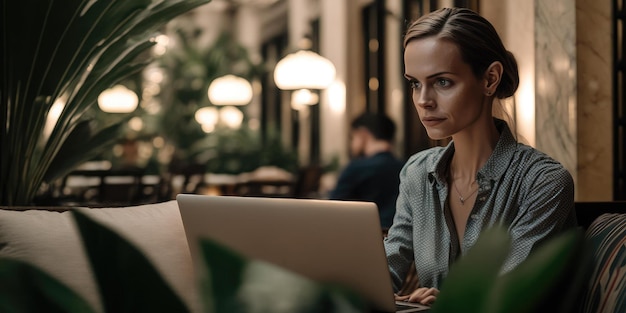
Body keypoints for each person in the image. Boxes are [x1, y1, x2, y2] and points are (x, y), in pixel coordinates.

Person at [384, 7, 577, 305]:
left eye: (442, 82)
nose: (424, 101)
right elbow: (385, 269)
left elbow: (507, 296)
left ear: (489, 79)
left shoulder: (544, 182)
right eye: (415, 83)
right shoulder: (417, 173)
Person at [329, 113, 405, 230]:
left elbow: (332, 209)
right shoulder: (406, 167)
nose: (352, 143)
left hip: (363, 235)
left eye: (352, 137)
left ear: (363, 134)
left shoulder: (357, 168)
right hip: (398, 235)